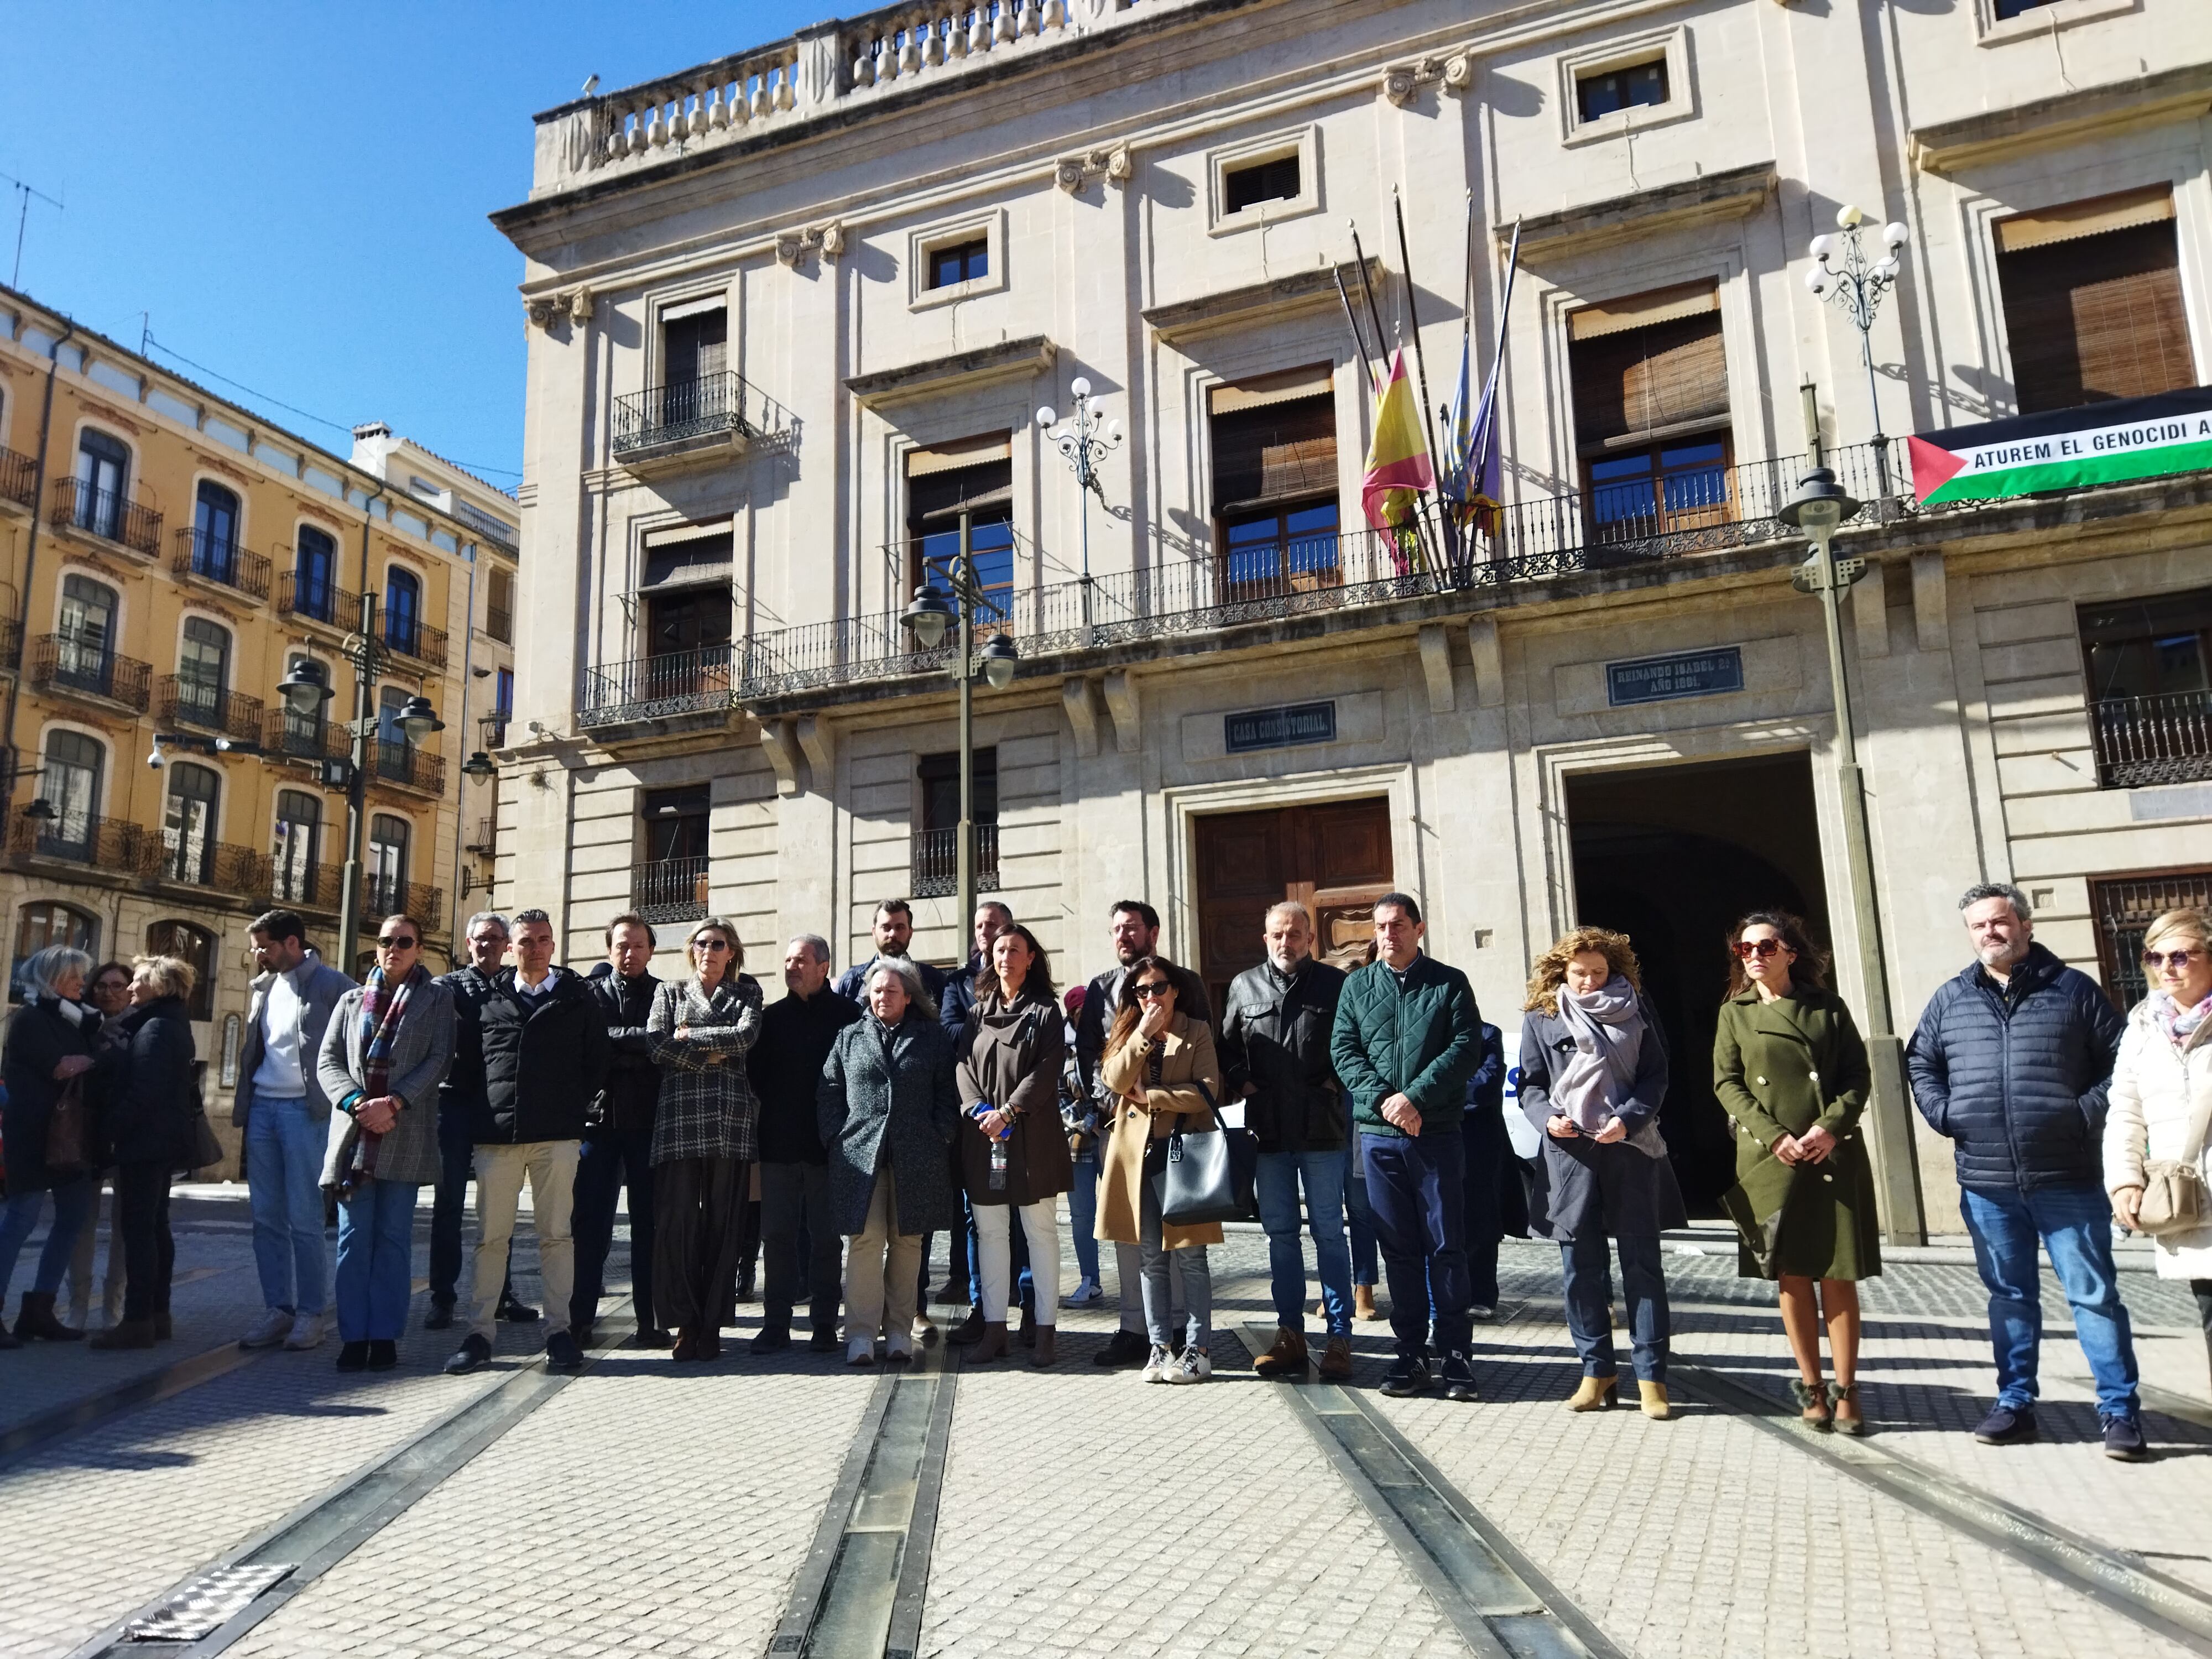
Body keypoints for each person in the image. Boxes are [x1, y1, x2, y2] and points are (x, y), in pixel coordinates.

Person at [1907, 881, 2142, 1458]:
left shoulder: (2073, 991)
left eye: (1999, 922)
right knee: (2009, 1296)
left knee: (2092, 1297)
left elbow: (2123, 1062)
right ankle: (2015, 1404)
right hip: (1986, 1184)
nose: (1990, 932)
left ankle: (2119, 1413)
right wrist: (1945, 1113)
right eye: (1978, 926)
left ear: (2024, 925)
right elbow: (1920, 1061)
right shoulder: (1950, 998)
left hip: (2067, 1178)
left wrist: (2081, 1114)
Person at [1714, 911, 1880, 1434]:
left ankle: (1847, 1389)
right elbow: (1727, 1083)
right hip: (1771, 1157)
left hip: (1830, 1154)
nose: (1755, 956)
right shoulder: (1734, 1013)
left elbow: (1857, 1075)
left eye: (1767, 946)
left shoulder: (1828, 1008)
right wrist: (1774, 1136)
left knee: (1838, 1274)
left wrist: (1830, 1126)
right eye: (1745, 950)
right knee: (1792, 1276)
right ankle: (1812, 1386)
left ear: (1790, 952)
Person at [443, 909, 611, 1377]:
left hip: (556, 1137)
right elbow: (469, 1067)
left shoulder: (578, 998)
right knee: (491, 1239)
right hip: (497, 1138)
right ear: (510, 949)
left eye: (542, 940)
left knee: (557, 1237)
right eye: (525, 941)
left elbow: (597, 1063)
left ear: (553, 946)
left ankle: (559, 1332)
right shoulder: (489, 1002)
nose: (533, 948)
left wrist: (573, 1109)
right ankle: (479, 1334)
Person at [1331, 893, 1483, 1401]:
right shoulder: (1357, 985)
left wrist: (1414, 1098)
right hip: (1378, 1139)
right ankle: (1411, 1352)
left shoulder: (1449, 983)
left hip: (1434, 1135)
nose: (1387, 934)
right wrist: (1384, 1101)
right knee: (1398, 1248)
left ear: (1419, 928)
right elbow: (1344, 1050)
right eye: (1380, 927)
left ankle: (1457, 1354)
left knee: (1445, 1246)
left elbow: (1465, 1048)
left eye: (1397, 925)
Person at [1219, 900, 1354, 1382]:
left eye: (1295, 934)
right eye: (1278, 934)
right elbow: (1227, 1049)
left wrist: (1335, 1086)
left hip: (1323, 1131)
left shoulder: (1337, 985)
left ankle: (1339, 1337)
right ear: (1266, 939)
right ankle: (1290, 1334)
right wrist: (1248, 1085)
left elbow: (1354, 1044)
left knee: (1329, 1234)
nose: (1286, 942)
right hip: (1269, 1133)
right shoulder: (1244, 986)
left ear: (1311, 939)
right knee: (1280, 1235)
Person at [1076, 900, 1213, 1368]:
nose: (1123, 937)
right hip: (1121, 1136)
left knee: (1182, 1247)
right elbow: (1093, 1061)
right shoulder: (1101, 989)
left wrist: (1151, 1095)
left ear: (1153, 932)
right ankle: (1137, 1331)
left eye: (1131, 928)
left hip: (1181, 1142)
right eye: (1116, 929)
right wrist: (1107, 1105)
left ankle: (1183, 1333)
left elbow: (1205, 1066)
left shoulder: (1188, 983)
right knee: (1134, 1241)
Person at [316, 916, 455, 1372]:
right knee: (354, 1239)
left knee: (394, 1240)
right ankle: (354, 1336)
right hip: (356, 1135)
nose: (393, 948)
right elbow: (328, 1061)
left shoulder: (437, 1000)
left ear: (419, 948)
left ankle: (386, 1336)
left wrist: (394, 1102)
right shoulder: (351, 1000)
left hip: (404, 1131)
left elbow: (440, 1059)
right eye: (385, 941)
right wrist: (358, 1102)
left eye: (404, 941)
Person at [821, 958, 961, 1364]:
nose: (883, 997)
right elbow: (829, 1089)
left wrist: (941, 1133)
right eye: (877, 990)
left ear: (909, 997)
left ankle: (899, 1329)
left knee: (907, 1241)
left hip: (918, 1153)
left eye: (892, 991)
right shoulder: (849, 1037)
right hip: (861, 1155)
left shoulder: (932, 1038)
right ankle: (861, 1335)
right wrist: (835, 1136)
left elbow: (946, 1093)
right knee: (865, 1242)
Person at [233, 909, 356, 1355]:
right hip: (263, 1109)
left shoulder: (333, 985)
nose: (257, 953)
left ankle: (310, 1315)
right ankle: (278, 1310)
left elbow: (360, 1039)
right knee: (265, 1218)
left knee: (305, 1218)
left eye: (263, 946)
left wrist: (344, 1100)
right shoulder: (262, 987)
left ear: (291, 943)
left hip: (307, 1113)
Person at [1098, 954, 1223, 1383]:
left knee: (1190, 1257)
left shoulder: (1197, 1031)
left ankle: (1199, 1349)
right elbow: (1114, 1081)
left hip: (1185, 1154)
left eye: (1158, 988)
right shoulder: (1131, 1030)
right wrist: (1143, 1036)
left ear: (1175, 990)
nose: (1151, 997)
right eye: (1142, 990)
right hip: (1138, 1157)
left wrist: (1151, 1096)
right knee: (1150, 1258)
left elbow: (1207, 1092)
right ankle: (1159, 1347)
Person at [649, 916, 764, 1363]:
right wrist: (712, 1056)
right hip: (678, 1122)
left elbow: (746, 1036)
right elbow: (657, 1045)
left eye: (718, 944)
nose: (709, 951)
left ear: (731, 951)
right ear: (691, 950)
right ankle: (685, 1323)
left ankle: (713, 1324)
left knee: (723, 1225)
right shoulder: (669, 992)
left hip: (729, 1123)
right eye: (702, 943)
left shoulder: (747, 992)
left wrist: (690, 1037)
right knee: (678, 1224)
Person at [2106, 909, 2212, 1394]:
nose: (2167, 967)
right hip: (2190, 1197)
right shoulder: (2143, 1027)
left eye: (2181, 955)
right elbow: (2125, 1110)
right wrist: (2125, 1179)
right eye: (2155, 956)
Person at [956, 924, 1070, 1366]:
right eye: (999, 950)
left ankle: (1044, 1333)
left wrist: (1009, 1112)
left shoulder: (1046, 1012)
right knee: (989, 1234)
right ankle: (994, 1331)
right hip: (984, 1139)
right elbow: (963, 1065)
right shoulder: (975, 1013)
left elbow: (1046, 1070)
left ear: (1030, 959)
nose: (1005, 957)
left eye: (1015, 950)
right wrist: (978, 1111)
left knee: (1039, 1234)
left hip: (1032, 1140)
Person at [745, 934, 861, 1355]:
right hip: (778, 1145)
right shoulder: (770, 1019)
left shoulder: (851, 1016)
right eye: (788, 961)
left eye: (801, 961)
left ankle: (825, 1324)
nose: (792, 967)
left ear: (823, 967)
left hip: (830, 1149)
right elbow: (756, 1077)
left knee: (827, 1239)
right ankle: (775, 1323)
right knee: (776, 1236)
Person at [88, 956, 199, 1350]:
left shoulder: (154, 1029)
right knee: (155, 1227)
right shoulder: (171, 1023)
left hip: (145, 1144)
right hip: (162, 1142)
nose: (131, 988)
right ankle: (157, 1314)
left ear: (159, 985)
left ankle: (137, 1320)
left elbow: (144, 1093)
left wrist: (111, 1130)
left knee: (140, 1231)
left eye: (137, 981)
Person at [430, 914, 529, 1329]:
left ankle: (502, 1295)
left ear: (508, 944)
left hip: (498, 1108)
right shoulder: (445, 987)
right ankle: (443, 1297)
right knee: (449, 1204)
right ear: (469, 943)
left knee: (499, 1209)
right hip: (453, 1104)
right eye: (481, 939)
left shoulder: (518, 985)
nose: (488, 945)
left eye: (495, 938)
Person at [573, 914, 666, 1348]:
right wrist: (637, 1045)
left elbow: (664, 1044)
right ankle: (580, 1320)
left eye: (638, 946)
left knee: (650, 1226)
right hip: (598, 1124)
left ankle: (649, 1322)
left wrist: (619, 1047)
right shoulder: (587, 993)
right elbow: (588, 1049)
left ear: (651, 950)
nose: (629, 954)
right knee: (591, 1225)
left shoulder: (665, 993)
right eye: (621, 946)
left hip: (649, 1124)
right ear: (608, 950)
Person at [0, 945, 100, 1346]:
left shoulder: (78, 1020)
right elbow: (64, 1067)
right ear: (53, 979)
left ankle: (38, 1311)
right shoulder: (30, 1019)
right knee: (20, 1222)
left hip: (69, 1138)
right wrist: (101, 1060)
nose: (82, 983)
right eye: (75, 975)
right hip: (34, 1137)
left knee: (73, 1218)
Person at [934, 901, 1015, 1314]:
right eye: (980, 925)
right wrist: (991, 1023)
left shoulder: (1025, 981)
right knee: (975, 1209)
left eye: (994, 925)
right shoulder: (957, 983)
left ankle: (1025, 1296)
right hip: (975, 1112)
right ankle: (980, 1298)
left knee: (1021, 1209)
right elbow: (948, 1030)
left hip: (1019, 1110)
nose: (985, 931)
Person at [63, 961, 134, 1329]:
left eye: (118, 985)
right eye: (102, 986)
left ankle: (113, 1306)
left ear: (130, 989)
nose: (109, 992)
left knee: (125, 1224)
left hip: (126, 1136)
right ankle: (77, 1306)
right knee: (81, 1222)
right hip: (83, 1134)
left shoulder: (141, 1027)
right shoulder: (79, 1026)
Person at [1058, 984, 1105, 1308]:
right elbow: (1056, 1094)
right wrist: (1089, 1120)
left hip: (1114, 1134)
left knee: (1126, 1211)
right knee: (1082, 1215)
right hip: (1077, 1141)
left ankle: (1142, 1281)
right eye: (1082, 1011)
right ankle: (1090, 1280)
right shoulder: (1059, 1047)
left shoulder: (1108, 1037)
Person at [1462, 1021, 1510, 1323]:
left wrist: (1439, 1095)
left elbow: (1487, 1084)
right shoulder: (1430, 1029)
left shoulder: (1488, 1033)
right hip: (1437, 1137)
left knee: (1480, 1217)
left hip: (1479, 1139)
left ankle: (1482, 1295)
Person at [833, 899, 950, 1005]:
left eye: (900, 927)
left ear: (910, 932)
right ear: (874, 932)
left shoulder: (934, 980)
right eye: (886, 927)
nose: (892, 934)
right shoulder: (851, 981)